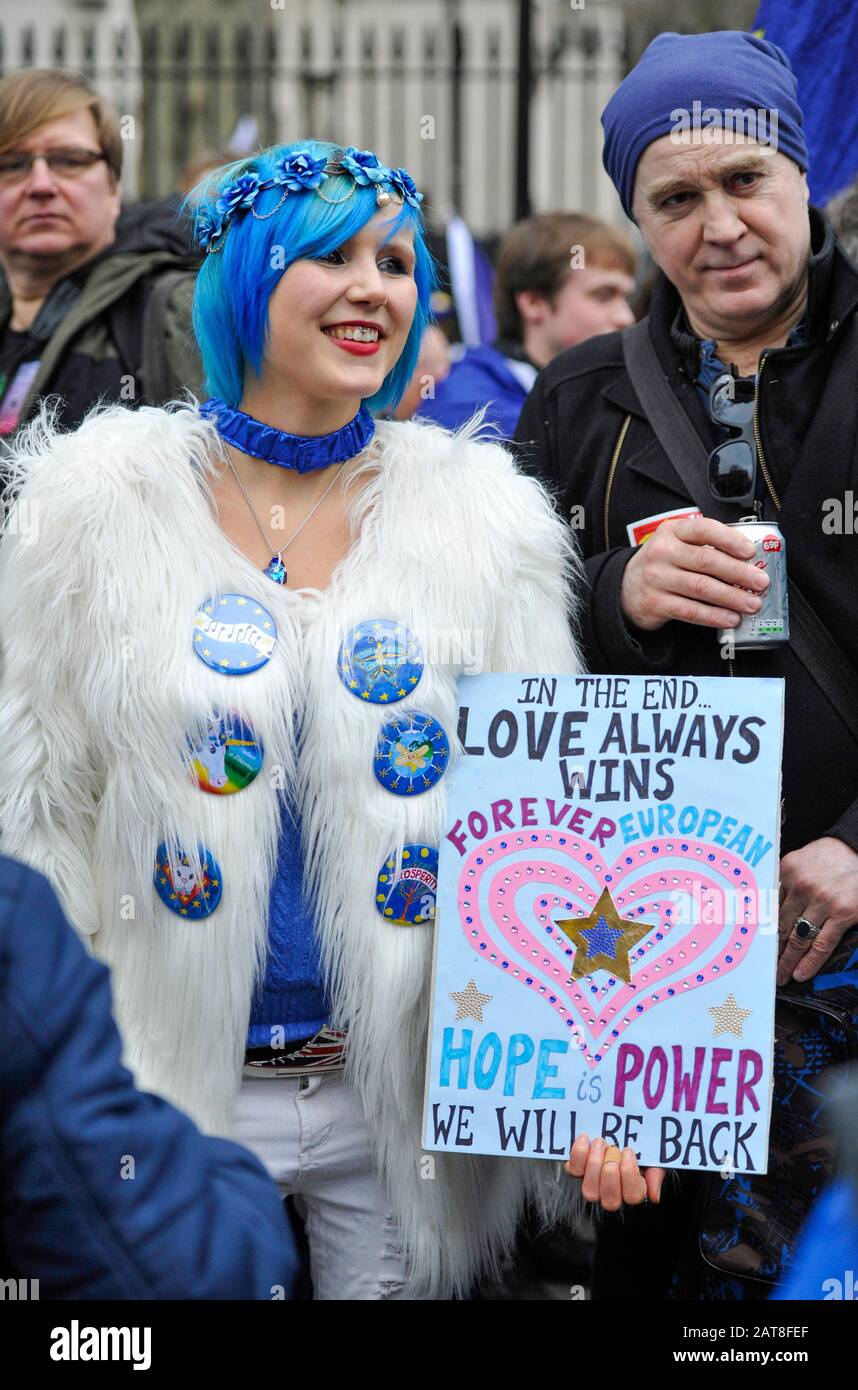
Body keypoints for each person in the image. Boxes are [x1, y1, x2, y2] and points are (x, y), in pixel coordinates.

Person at [0, 139, 662, 1301]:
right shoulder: (90, 507)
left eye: (397, 262)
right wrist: (62, 1079)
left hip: (396, 1102)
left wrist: (588, 1075)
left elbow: (551, 822)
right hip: (163, 1090)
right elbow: (33, 812)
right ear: (245, 279)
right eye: (331, 256)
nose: (375, 288)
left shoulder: (483, 517)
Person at [514, 30, 858, 1299]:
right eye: (675, 197)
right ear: (637, 219)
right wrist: (614, 592)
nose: (719, 223)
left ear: (800, 174)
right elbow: (507, 646)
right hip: (653, 939)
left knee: (820, 1275)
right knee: (671, 1268)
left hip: (849, 929)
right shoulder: (582, 393)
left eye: (745, 180)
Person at [0, 853, 298, 1299]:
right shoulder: (15, 917)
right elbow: (181, 1270)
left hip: (357, 1096)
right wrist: (237, 1174)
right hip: (198, 1094)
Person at [0, 67, 202, 445]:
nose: (41, 185)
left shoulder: (177, 309)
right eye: (12, 164)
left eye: (70, 160)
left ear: (114, 187)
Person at [417, 212, 636, 437]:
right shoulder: (469, 407)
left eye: (626, 297)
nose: (626, 317)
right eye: (604, 294)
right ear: (534, 303)